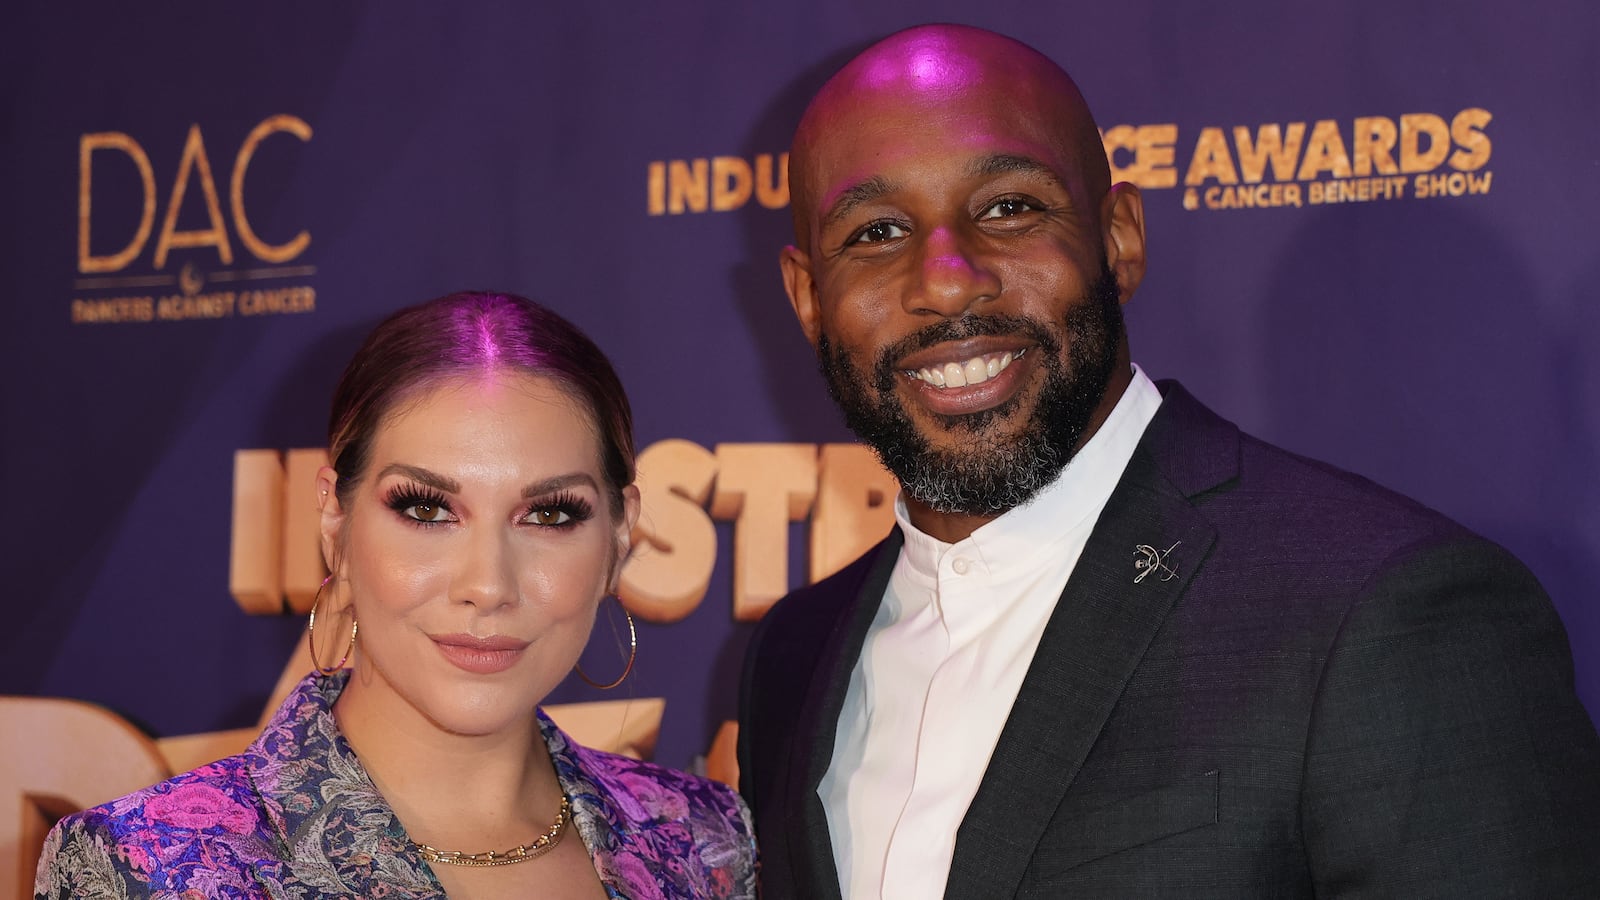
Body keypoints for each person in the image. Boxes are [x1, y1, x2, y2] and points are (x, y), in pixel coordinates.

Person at [737, 23, 1600, 899]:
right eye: (878, 231)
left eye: (1008, 208)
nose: (948, 281)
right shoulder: (792, 657)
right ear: (809, 298)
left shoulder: (1386, 614)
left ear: (1118, 238)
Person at [37, 292, 758, 899]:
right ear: (335, 521)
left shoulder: (701, 842)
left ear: (621, 536)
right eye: (425, 509)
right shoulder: (146, 869)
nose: (487, 586)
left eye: (549, 514)